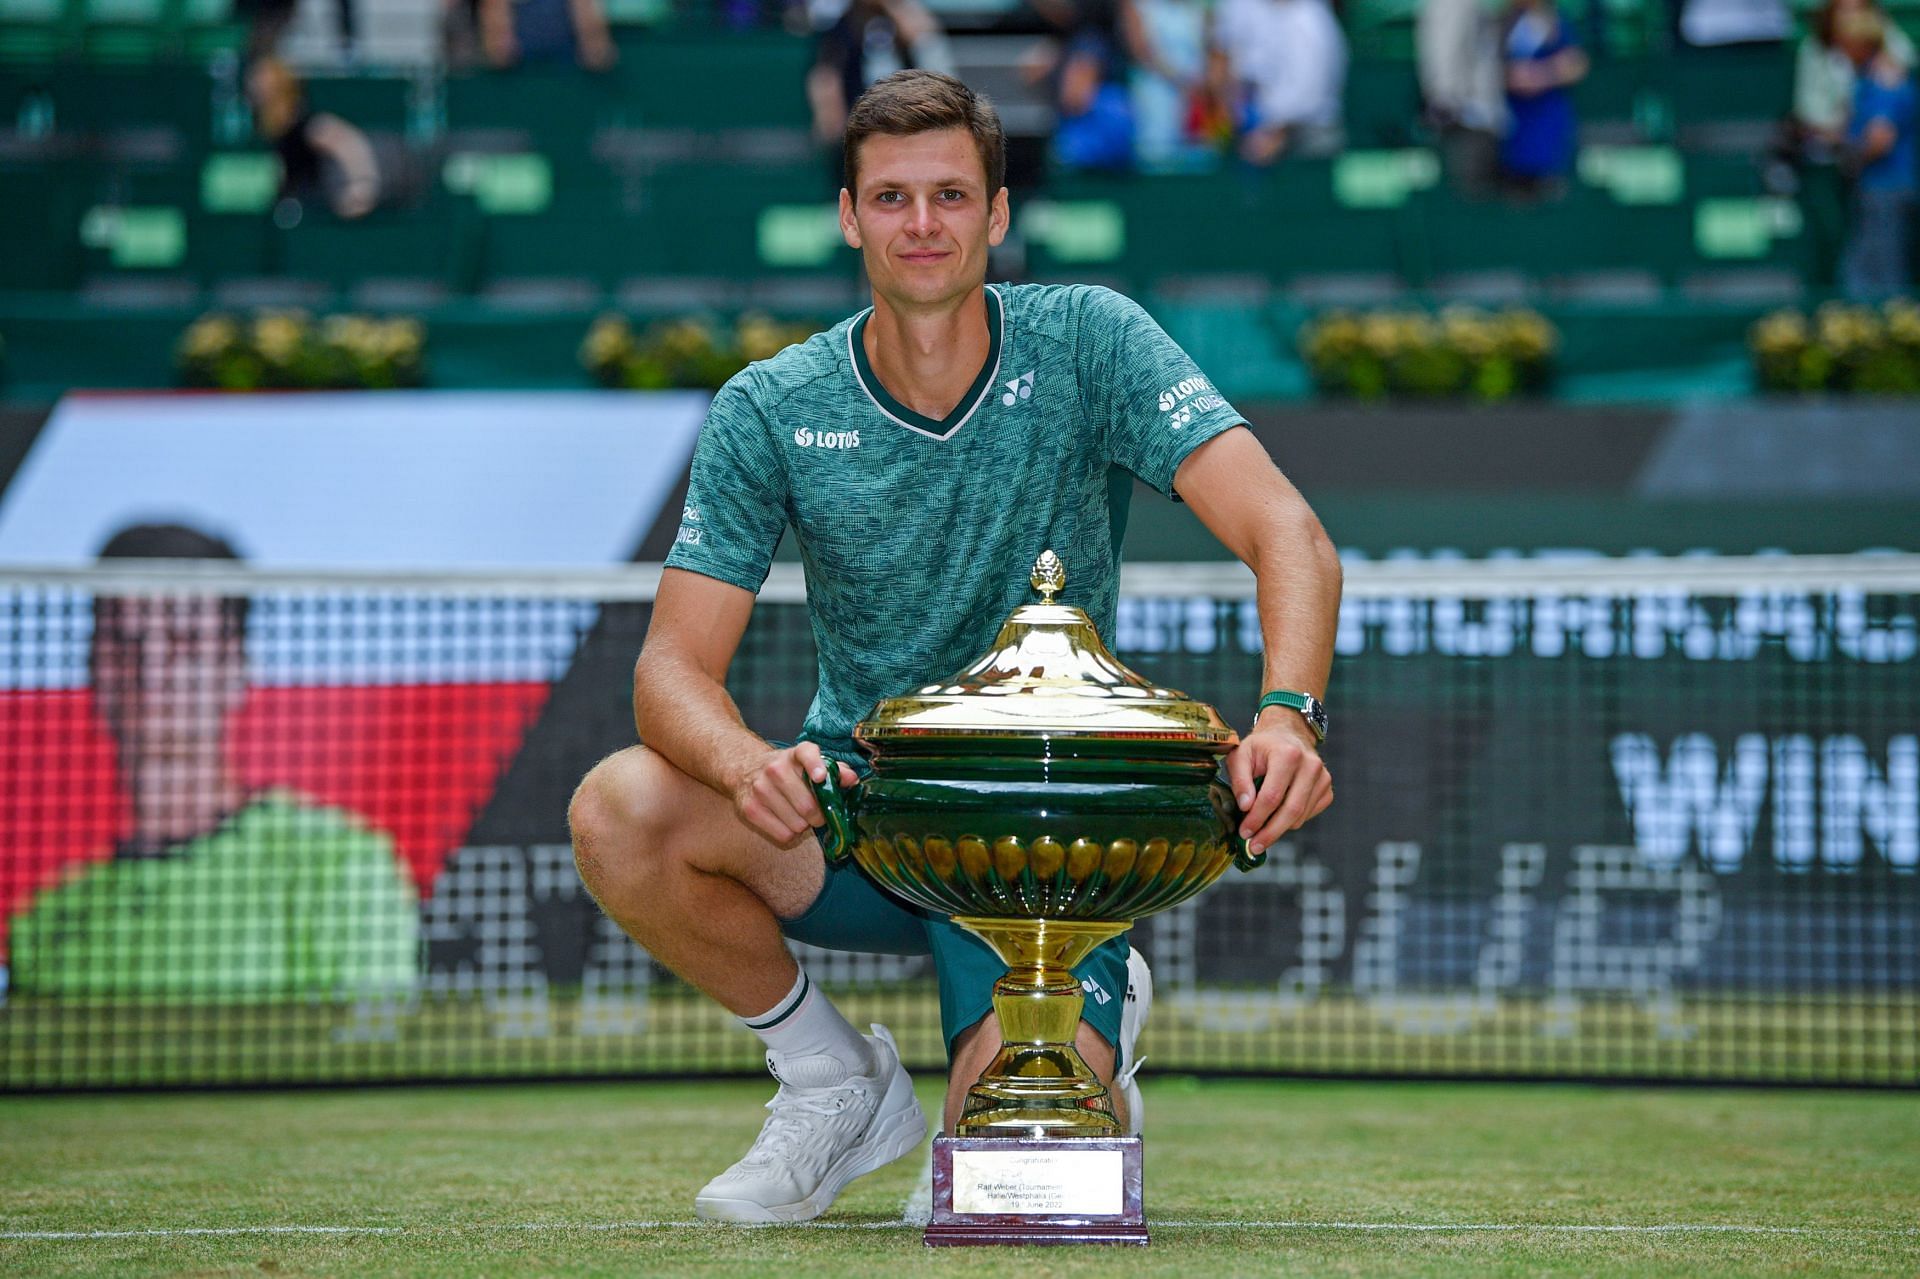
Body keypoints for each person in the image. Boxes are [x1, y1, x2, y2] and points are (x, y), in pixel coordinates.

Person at [566, 69, 1341, 1223]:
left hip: (1047, 841)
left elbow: (1290, 533)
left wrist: (1288, 711)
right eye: (889, 198)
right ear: (847, 215)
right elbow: (669, 671)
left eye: (948, 195)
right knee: (620, 806)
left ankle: (1088, 1001)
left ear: (996, 211)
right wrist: (747, 766)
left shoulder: (1090, 341)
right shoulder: (771, 403)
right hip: (867, 817)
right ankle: (833, 1080)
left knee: (1012, 1193)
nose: (920, 225)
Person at [7, 524, 419, 1000]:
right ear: (93, 668)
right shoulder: (48, 922)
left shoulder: (337, 866)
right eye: (124, 639)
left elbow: (371, 1060)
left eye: (184, 638)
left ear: (235, 668)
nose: (151, 667)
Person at [1208, 0, 1349, 165]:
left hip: (1307, 133)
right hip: (1253, 128)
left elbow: (1311, 92)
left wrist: (1276, 133)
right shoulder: (1242, 6)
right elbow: (1221, 59)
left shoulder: (1311, 17)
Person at [1838, 9, 1917, 299]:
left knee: (1883, 276)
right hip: (1879, 188)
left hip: (1887, 189)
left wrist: (1848, 157)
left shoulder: (1885, 81)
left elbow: (1880, 139)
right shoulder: (1868, 79)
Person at [246, 57, 384, 221]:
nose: (255, 86)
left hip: (327, 209)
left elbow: (349, 143)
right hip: (303, 211)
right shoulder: (273, 130)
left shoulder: (305, 123)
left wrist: (362, 187)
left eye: (262, 81)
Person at [807, 0, 954, 146]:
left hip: (906, 116)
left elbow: (924, 40)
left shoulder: (902, 17)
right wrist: (829, 113)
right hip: (859, 118)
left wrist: (893, 6)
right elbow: (827, 73)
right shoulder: (845, 22)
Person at [1497, 0, 1588, 194]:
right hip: (1513, 122)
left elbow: (1577, 64)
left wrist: (1541, 75)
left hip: (1547, 119)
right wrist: (1510, 76)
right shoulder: (1504, 23)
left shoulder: (1556, 22)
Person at [479, 0, 617, 71]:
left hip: (569, 69)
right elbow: (497, 54)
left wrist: (597, 52)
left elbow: (597, 51)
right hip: (521, 72)